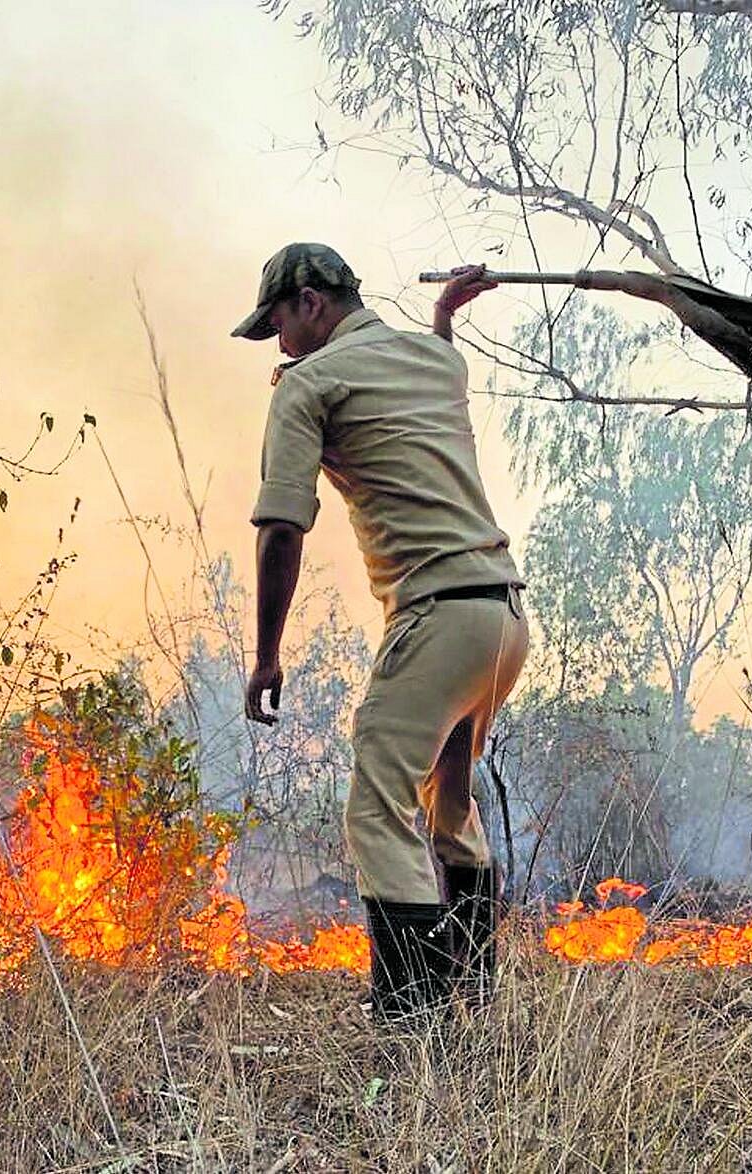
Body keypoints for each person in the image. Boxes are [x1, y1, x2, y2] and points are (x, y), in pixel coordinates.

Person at [233, 243, 528, 1021]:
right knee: (449, 804)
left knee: (374, 806)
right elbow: (435, 372)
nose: (280, 345)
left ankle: (417, 1022)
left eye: (279, 326)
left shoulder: (311, 384)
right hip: (502, 619)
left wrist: (266, 656)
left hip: (436, 618)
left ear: (309, 302)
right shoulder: (437, 364)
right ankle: (473, 998)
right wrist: (441, 320)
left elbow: (281, 527)